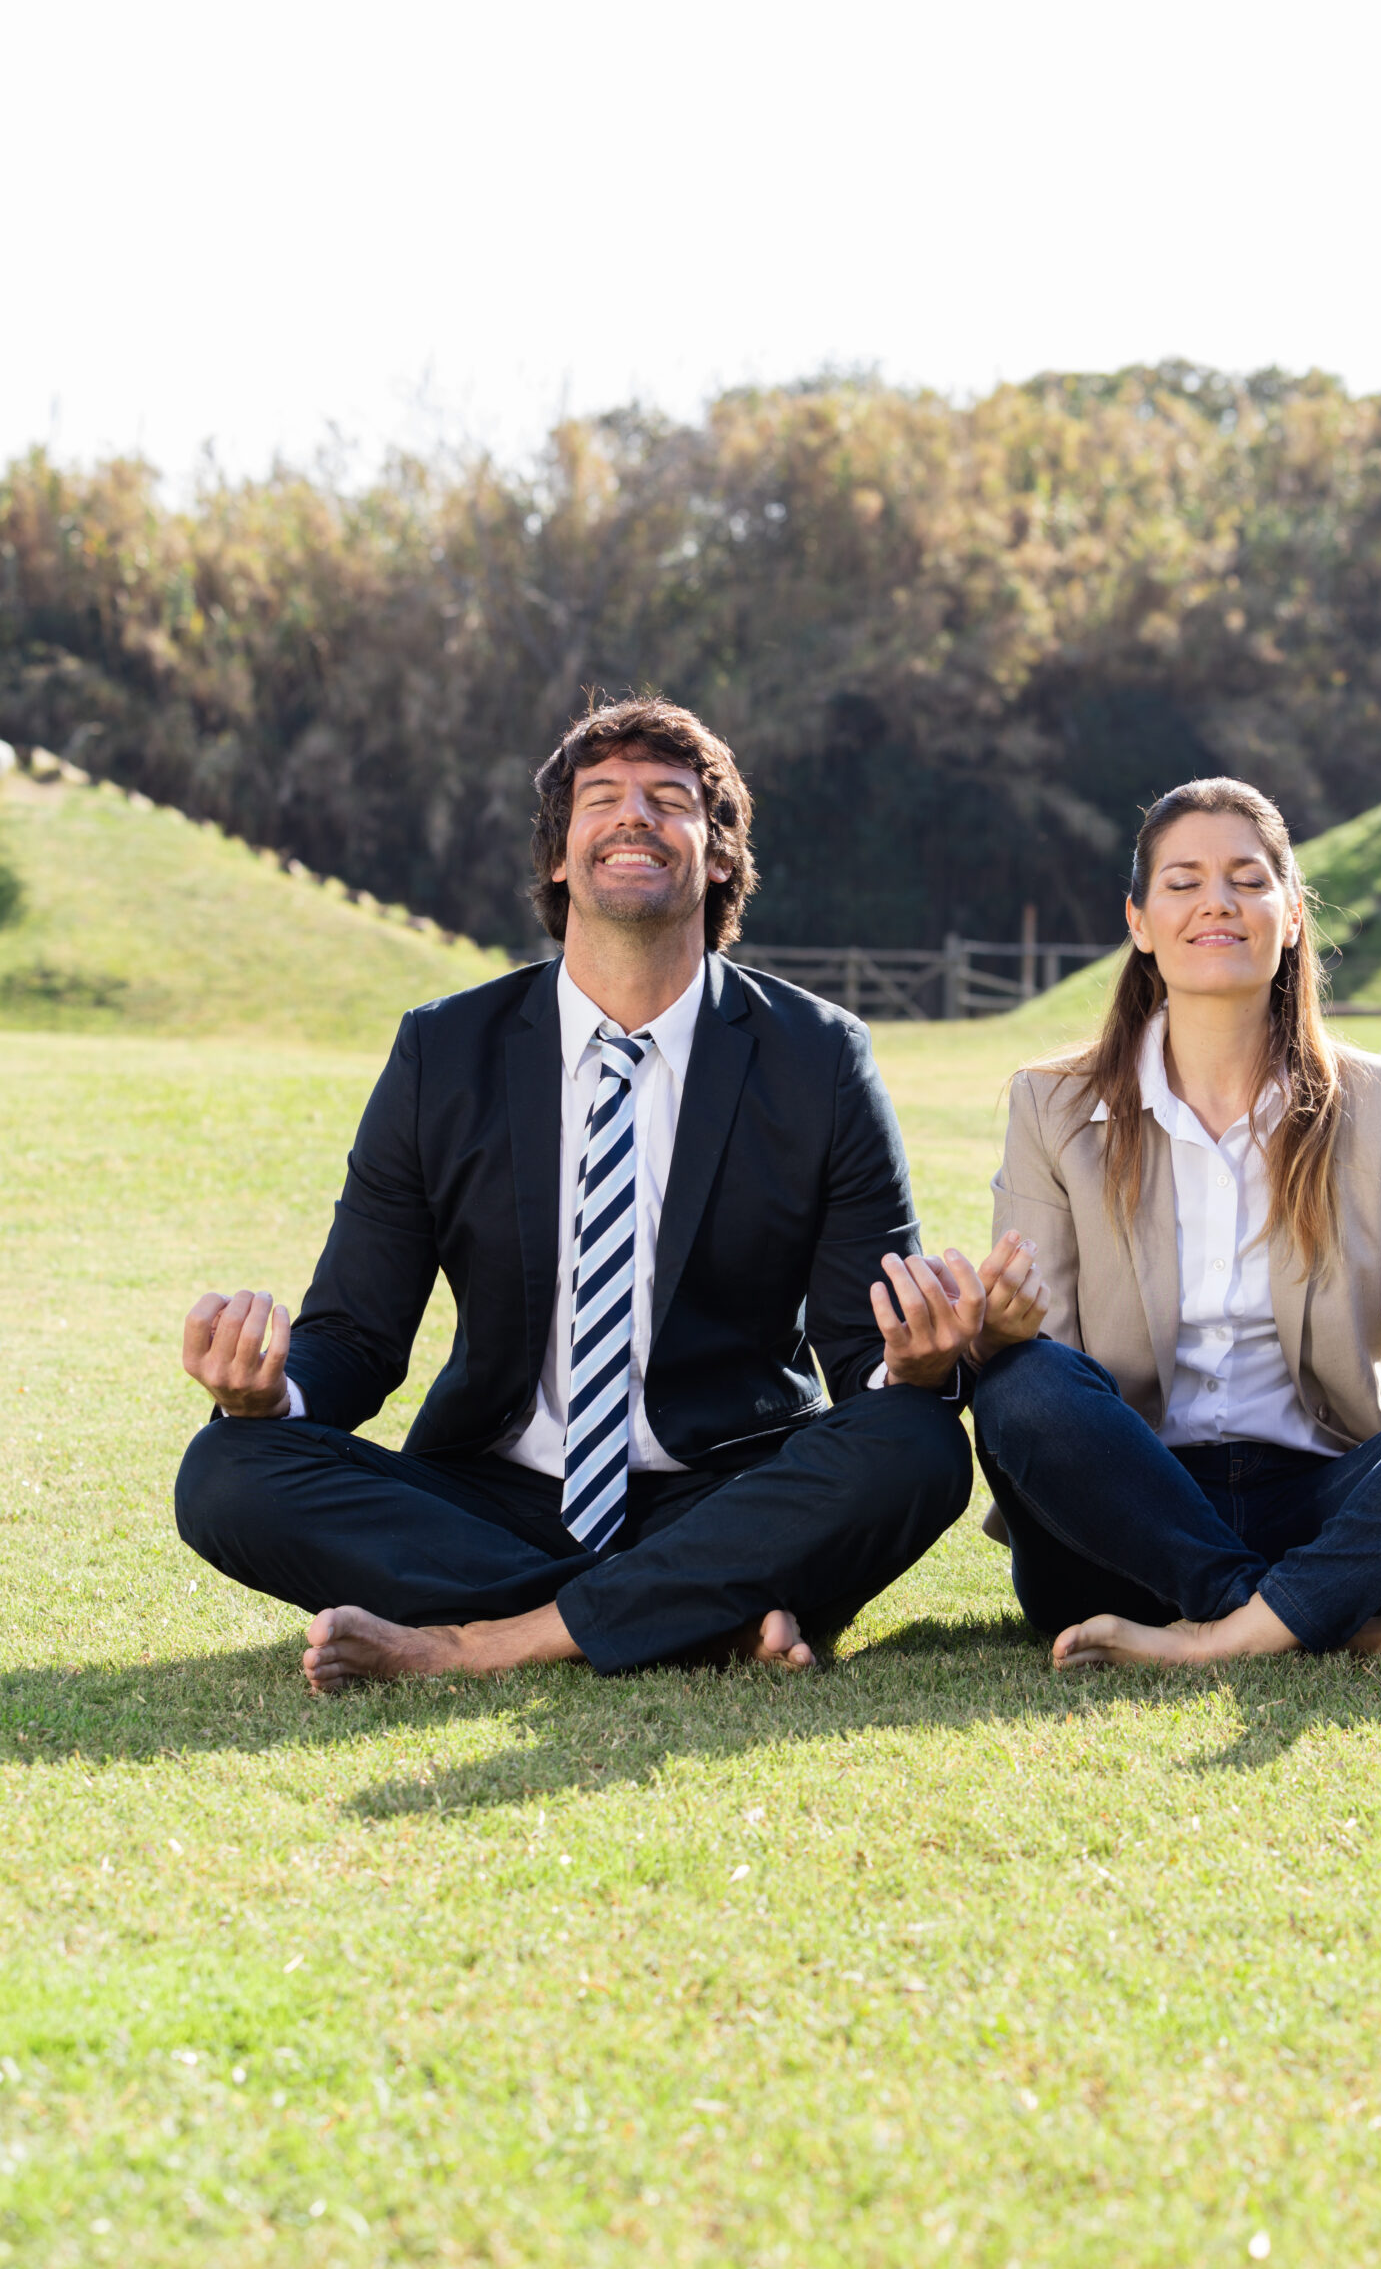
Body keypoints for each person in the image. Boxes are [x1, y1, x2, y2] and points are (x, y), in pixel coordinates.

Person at [176, 695, 1029, 1688]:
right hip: (492, 1491)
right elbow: (357, 1336)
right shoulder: (442, 1052)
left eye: (670, 799)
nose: (634, 814)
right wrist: (270, 1392)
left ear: (717, 857)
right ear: (557, 854)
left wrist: (914, 1362)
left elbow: (859, 1353)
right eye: (602, 798)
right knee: (227, 1470)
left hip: (727, 1486)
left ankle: (484, 1643)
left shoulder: (819, 1058)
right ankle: (687, 1612)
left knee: (918, 1444)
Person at [969, 776, 1381, 1671]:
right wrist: (1006, 1331)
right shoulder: (1051, 1104)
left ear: (1291, 915)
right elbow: (1052, 1376)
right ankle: (1311, 1620)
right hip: (1128, 1520)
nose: (1215, 902)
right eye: (1181, 882)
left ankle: (1226, 1637)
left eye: (1247, 880)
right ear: (1139, 922)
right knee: (1021, 1383)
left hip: (1330, 1506)